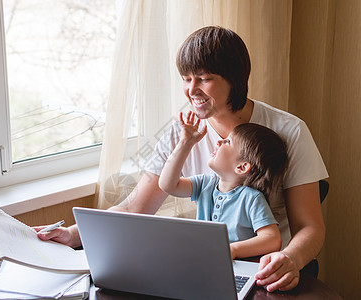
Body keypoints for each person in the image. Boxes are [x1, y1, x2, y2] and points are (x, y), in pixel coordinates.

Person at [36, 26, 328, 292]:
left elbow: (310, 227)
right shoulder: (182, 131)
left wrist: (289, 259)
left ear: (235, 80)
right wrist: (73, 234)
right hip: (202, 265)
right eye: (186, 79)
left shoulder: (289, 131)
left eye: (204, 78)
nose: (191, 90)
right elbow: (137, 207)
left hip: (265, 271)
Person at [158, 111, 287, 260]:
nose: (219, 142)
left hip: (235, 266)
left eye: (228, 142)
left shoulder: (251, 198)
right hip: (204, 261)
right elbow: (168, 185)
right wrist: (185, 144)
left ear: (242, 167)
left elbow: (272, 239)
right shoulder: (205, 183)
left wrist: (232, 250)